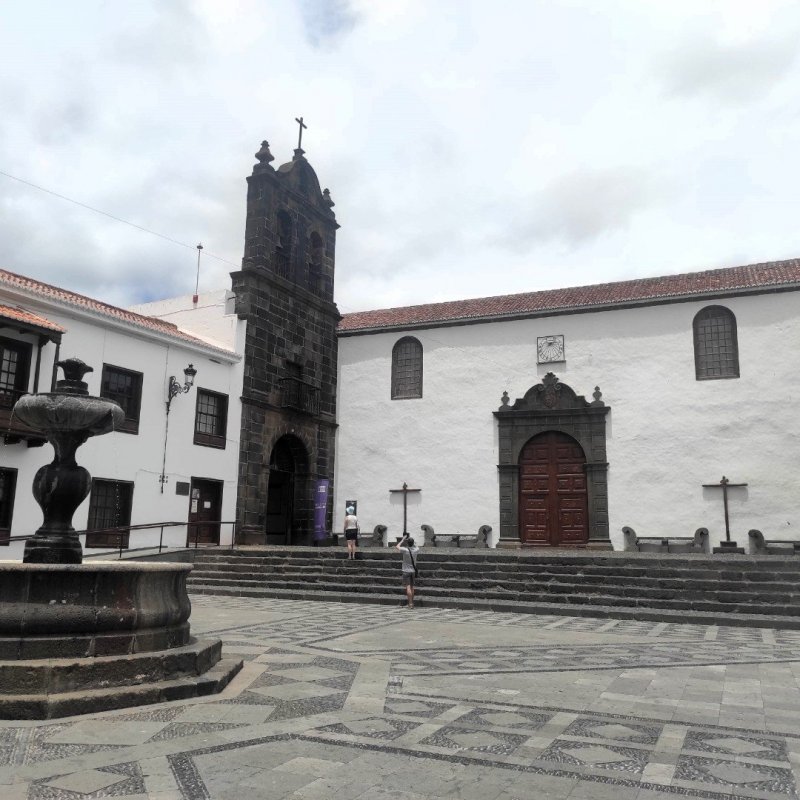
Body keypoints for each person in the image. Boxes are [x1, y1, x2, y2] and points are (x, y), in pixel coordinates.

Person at [395, 534, 419, 608]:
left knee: (408, 587)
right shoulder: (416, 550)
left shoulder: (405, 550)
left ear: (407, 543)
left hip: (406, 571)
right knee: (412, 587)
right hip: (413, 571)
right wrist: (412, 541)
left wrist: (402, 540)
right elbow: (416, 545)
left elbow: (397, 546)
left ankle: (410, 603)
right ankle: (412, 602)